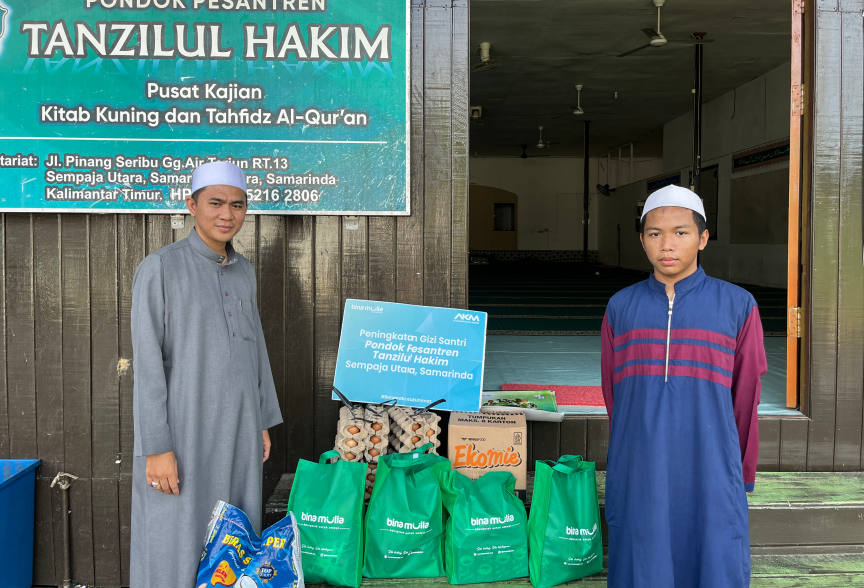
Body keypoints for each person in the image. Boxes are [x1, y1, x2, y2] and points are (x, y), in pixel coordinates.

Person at [601, 184, 767, 588]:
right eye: (655, 233)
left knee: (712, 556)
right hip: (641, 463)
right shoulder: (621, 306)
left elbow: (745, 397)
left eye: (681, 232)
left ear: (703, 238)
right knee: (643, 555)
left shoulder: (737, 305)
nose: (667, 244)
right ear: (642, 240)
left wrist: (741, 473)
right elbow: (614, 394)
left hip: (711, 463)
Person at [130, 161, 283, 588]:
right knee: (176, 531)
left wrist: (263, 420)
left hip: (239, 428)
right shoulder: (160, 268)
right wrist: (157, 448)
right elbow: (147, 364)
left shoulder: (245, 270)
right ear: (191, 205)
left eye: (237, 205)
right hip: (183, 429)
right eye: (215, 203)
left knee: (234, 529)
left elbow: (256, 349)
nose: (226, 214)